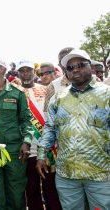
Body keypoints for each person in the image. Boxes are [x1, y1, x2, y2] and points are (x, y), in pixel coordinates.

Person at [37, 49, 110, 210]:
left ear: (90, 66)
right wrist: (41, 155)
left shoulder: (106, 94)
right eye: (70, 67)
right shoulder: (58, 98)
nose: (75, 69)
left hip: (100, 174)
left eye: (80, 65)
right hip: (67, 175)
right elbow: (50, 128)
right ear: (66, 72)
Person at [0, 56, 33, 210]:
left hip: (14, 151)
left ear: (2, 69)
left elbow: (26, 120)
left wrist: (26, 142)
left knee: (16, 193)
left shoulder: (18, 93)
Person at [16, 60, 61, 210]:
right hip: (27, 149)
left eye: (28, 70)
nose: (25, 73)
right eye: (22, 71)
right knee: (32, 189)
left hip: (48, 148)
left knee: (51, 189)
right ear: (18, 73)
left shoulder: (46, 89)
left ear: (33, 72)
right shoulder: (15, 92)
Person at [43, 47, 74, 116]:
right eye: (62, 61)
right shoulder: (53, 87)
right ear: (59, 65)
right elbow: (47, 115)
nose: (66, 64)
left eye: (70, 60)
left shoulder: (92, 81)